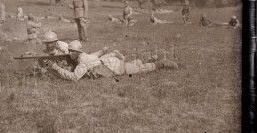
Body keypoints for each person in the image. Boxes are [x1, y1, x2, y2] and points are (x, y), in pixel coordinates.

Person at [45, 40, 178, 81]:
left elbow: (74, 77)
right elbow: (65, 47)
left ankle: (162, 63)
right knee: (131, 64)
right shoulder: (82, 55)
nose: (69, 53)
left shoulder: (82, 61)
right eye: (69, 51)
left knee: (139, 69)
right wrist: (55, 44)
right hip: (110, 63)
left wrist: (56, 68)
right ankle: (152, 58)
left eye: (72, 52)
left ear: (78, 52)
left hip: (113, 68)